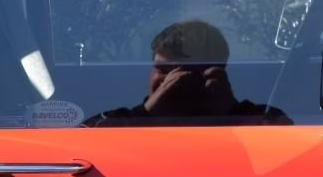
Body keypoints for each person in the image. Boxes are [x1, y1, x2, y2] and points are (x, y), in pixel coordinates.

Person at [87, 19, 291, 125]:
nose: (173, 81)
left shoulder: (262, 119)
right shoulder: (113, 123)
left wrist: (230, 111)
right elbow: (82, 145)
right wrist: (145, 114)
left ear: (218, 73)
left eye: (191, 72)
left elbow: (284, 146)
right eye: (163, 70)